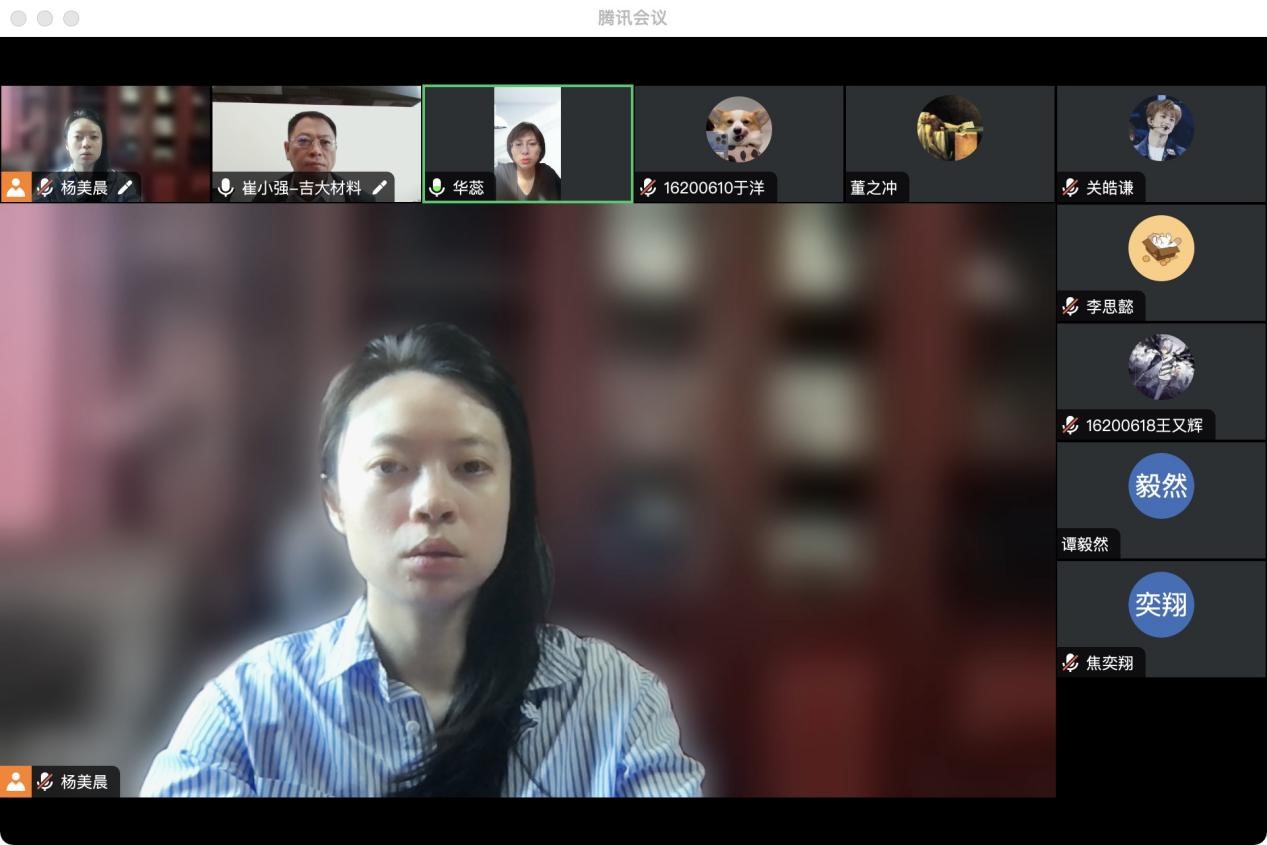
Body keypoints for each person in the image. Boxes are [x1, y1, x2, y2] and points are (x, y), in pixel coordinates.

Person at [140, 323, 704, 797]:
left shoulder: (614, 700)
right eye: (391, 467)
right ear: (334, 502)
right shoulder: (248, 710)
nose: (433, 501)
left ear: (513, 495)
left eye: (471, 467)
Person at [252, 110, 373, 203]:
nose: (316, 151)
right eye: (303, 141)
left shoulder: (363, 200)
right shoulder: (264, 198)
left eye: (325, 142)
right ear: (287, 149)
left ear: (335, 149)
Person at [34, 108, 141, 203]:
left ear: (102, 143)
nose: (86, 144)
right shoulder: (50, 184)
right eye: (78, 137)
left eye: (94, 137)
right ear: (66, 144)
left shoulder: (123, 184)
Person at [494, 122, 561, 201]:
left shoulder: (548, 173)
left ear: (541, 148)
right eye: (518, 144)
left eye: (532, 144)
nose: (525, 151)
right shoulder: (499, 173)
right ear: (511, 149)